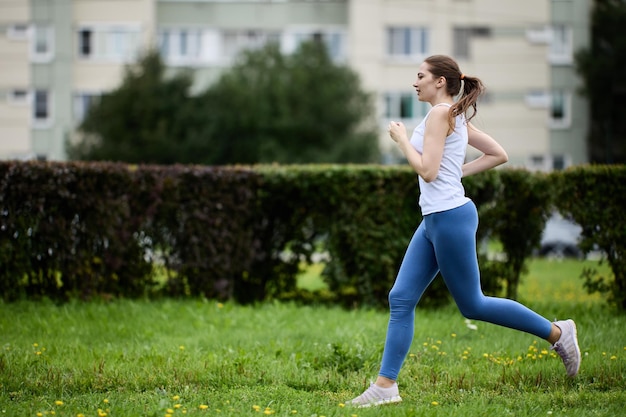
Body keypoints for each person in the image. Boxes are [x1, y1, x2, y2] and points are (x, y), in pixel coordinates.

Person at [349, 54, 581, 407]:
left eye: (421, 75)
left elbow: (427, 171)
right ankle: (385, 387)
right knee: (401, 298)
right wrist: (455, 172)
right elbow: (497, 154)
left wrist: (400, 140)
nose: (416, 82)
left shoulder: (441, 114)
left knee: (472, 304)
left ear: (440, 81)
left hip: (450, 217)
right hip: (434, 219)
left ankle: (558, 332)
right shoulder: (451, 116)